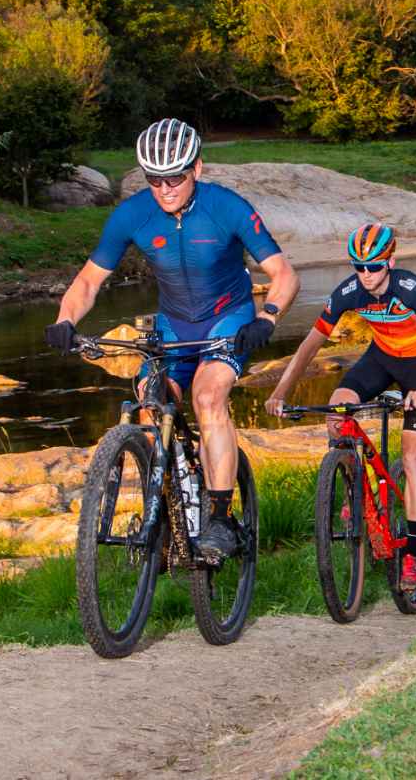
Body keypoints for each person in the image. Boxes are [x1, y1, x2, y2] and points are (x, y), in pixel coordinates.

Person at [44, 118, 299, 562]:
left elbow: (284, 275)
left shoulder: (227, 207)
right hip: (175, 325)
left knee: (208, 397)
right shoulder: (132, 215)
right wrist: (65, 319)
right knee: (150, 400)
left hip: (227, 320)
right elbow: (88, 281)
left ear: (196, 168)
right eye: (154, 179)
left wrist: (267, 318)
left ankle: (220, 518)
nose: (164, 189)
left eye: (175, 178)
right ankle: (163, 514)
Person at [264, 223, 416, 593]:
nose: (366, 274)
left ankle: (413, 555)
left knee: (412, 455)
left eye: (374, 266)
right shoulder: (349, 292)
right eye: (359, 266)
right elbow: (310, 345)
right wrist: (280, 391)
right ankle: (356, 492)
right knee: (338, 412)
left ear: (389, 262)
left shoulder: (410, 288)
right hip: (380, 358)